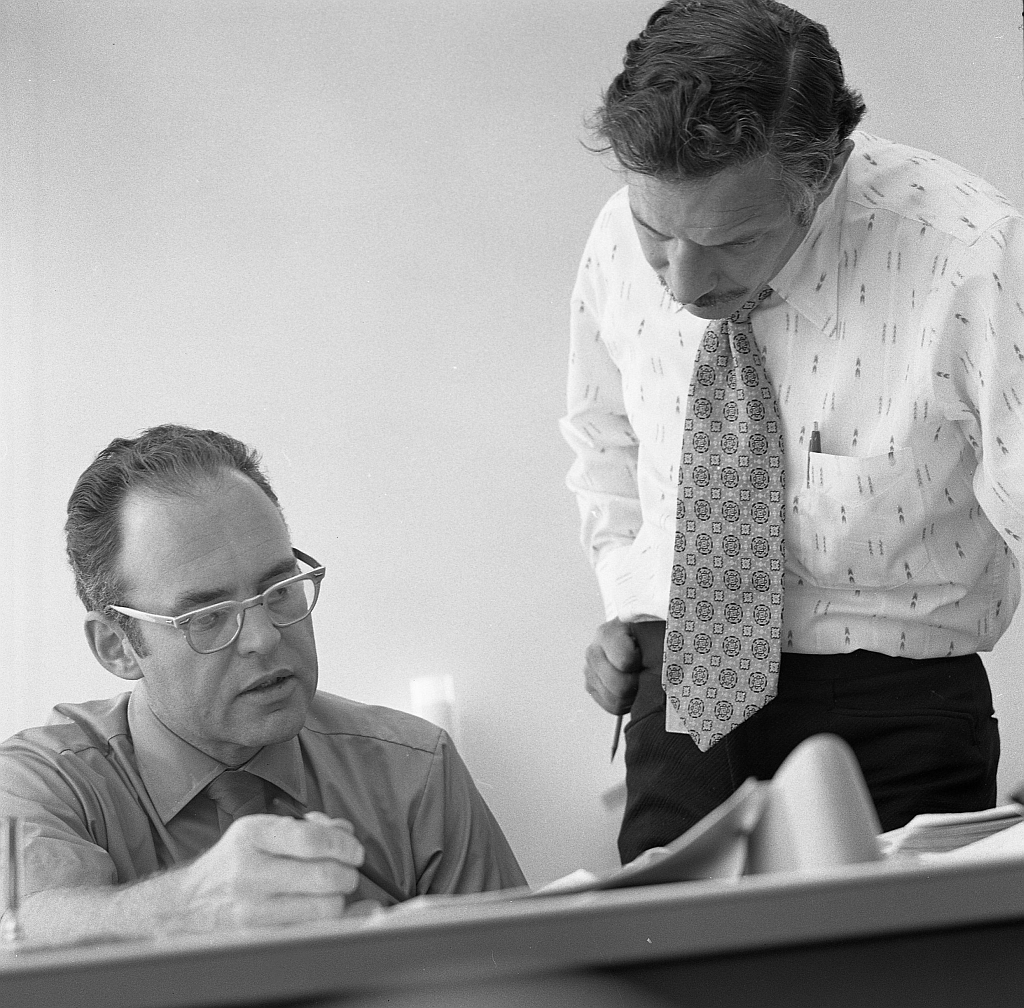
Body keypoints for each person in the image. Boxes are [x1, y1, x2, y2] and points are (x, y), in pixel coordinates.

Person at [561, 0, 1023, 863]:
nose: (682, 284)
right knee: (675, 974)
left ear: (823, 174)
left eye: (731, 240)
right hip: (682, 686)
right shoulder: (615, 241)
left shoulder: (968, 255)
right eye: (657, 235)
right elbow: (604, 437)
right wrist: (632, 598)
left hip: (893, 706)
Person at [0, 425, 525, 944]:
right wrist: (183, 908)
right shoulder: (43, 783)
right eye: (207, 614)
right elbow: (25, 927)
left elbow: (520, 979)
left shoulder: (415, 772)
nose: (264, 636)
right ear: (117, 646)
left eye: (280, 589)